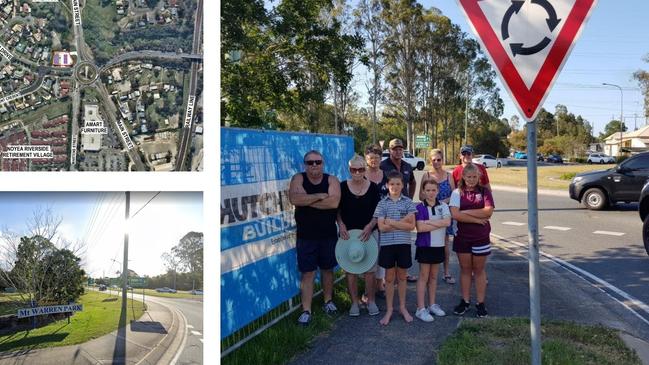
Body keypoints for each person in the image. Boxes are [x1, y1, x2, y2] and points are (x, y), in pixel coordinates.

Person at [289, 150, 341, 326]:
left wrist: (307, 200)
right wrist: (319, 196)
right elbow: (294, 199)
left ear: (323, 163)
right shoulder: (298, 178)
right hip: (306, 236)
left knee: (327, 269)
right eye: (310, 162)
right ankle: (306, 310)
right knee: (308, 273)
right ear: (305, 164)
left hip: (328, 235)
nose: (314, 165)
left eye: (317, 162)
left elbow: (334, 203)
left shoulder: (331, 180)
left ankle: (328, 301)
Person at [337, 154, 381, 317]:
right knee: (350, 270)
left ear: (365, 169)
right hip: (347, 236)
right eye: (353, 169)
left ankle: (371, 301)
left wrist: (370, 226)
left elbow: (378, 212)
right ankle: (354, 303)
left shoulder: (374, 187)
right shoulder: (341, 187)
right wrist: (340, 224)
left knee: (370, 271)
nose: (357, 172)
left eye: (361, 169)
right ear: (349, 170)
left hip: (369, 234)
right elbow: (337, 211)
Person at [449, 163, 494, 318]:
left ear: (478, 177)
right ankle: (465, 301)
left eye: (475, 177)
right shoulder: (457, 192)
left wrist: (466, 212)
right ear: (463, 176)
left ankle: (480, 303)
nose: (472, 179)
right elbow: (455, 214)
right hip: (462, 237)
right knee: (466, 270)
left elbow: (488, 212)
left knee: (479, 270)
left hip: (481, 237)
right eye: (469, 176)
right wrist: (475, 219)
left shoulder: (485, 191)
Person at [373, 170, 417, 325]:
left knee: (402, 277)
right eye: (392, 184)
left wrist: (390, 222)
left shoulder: (408, 202)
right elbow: (381, 227)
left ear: (402, 185)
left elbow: (411, 226)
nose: (395, 187)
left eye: (398, 184)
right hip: (387, 245)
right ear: (387, 185)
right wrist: (400, 223)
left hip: (403, 244)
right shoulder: (382, 203)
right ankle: (390, 309)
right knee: (390, 278)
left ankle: (403, 307)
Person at [380, 138, 417, 282]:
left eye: (400, 148)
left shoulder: (407, 165)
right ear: (390, 150)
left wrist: (410, 198)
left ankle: (403, 273)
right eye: (395, 149)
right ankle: (386, 278)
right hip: (388, 207)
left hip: (404, 207)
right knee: (388, 241)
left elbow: (412, 182)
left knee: (403, 240)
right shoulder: (383, 166)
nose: (398, 151)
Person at [414, 179, 451, 322]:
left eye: (433, 190)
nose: (430, 193)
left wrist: (428, 222)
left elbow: (447, 222)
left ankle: (432, 304)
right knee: (424, 277)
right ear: (423, 191)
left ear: (438, 191)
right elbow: (421, 228)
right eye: (427, 190)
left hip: (439, 246)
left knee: (434, 277)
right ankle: (420, 308)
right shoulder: (420, 207)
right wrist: (438, 223)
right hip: (425, 246)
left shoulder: (443, 206)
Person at [419, 148, 456, 284]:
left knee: (445, 243)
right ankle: (427, 273)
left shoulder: (449, 176)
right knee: (430, 241)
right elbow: (421, 195)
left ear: (442, 160)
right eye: (433, 160)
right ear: (430, 161)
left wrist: (442, 203)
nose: (436, 162)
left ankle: (446, 272)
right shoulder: (426, 176)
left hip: (445, 213)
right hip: (429, 213)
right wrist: (432, 200)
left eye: (439, 160)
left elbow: (454, 195)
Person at [364, 145, 387, 299]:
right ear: (366, 159)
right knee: (369, 254)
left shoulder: (387, 176)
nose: (374, 161)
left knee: (382, 253)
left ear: (380, 159)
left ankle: (380, 283)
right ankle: (367, 289)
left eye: (377, 158)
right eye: (371, 158)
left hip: (385, 220)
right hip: (366, 221)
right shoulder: (361, 175)